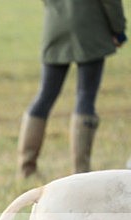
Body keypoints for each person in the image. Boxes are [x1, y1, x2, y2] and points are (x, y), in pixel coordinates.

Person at [18, 0, 126, 178]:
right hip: (90, 28)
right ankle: (81, 171)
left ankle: (26, 168)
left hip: (55, 27)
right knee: (85, 96)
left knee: (45, 95)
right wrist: (119, 30)